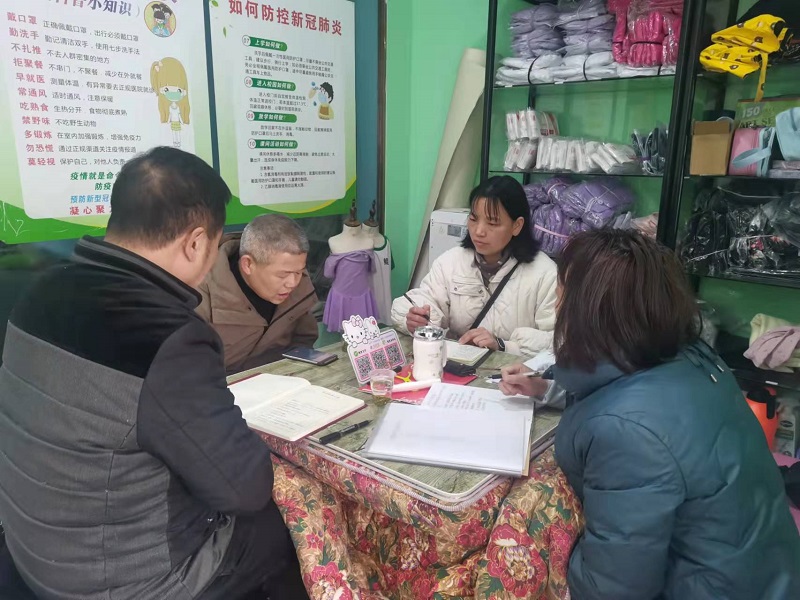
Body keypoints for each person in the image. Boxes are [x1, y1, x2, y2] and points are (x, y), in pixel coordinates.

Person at [0, 147, 307, 600]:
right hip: (120, 582)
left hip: (31, 551)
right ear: (196, 243)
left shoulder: (38, 291)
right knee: (294, 522)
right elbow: (243, 488)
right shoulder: (167, 336)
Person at [501, 229, 800, 600]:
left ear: (591, 310)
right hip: (768, 566)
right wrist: (546, 386)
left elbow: (613, 587)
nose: (558, 303)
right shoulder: (689, 355)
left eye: (563, 291)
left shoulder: (626, 433)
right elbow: (618, 389)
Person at [390, 175, 557, 357]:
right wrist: (414, 319)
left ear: (517, 226)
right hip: (458, 368)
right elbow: (419, 301)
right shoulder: (451, 262)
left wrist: (503, 346)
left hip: (513, 372)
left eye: (492, 223)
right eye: (473, 219)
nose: (478, 231)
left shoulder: (545, 274)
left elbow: (560, 342)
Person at [197, 214, 319, 375]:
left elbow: (304, 341)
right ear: (248, 264)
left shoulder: (299, 283)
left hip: (281, 381)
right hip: (217, 385)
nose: (292, 283)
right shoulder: (199, 295)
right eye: (282, 275)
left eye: (299, 272)